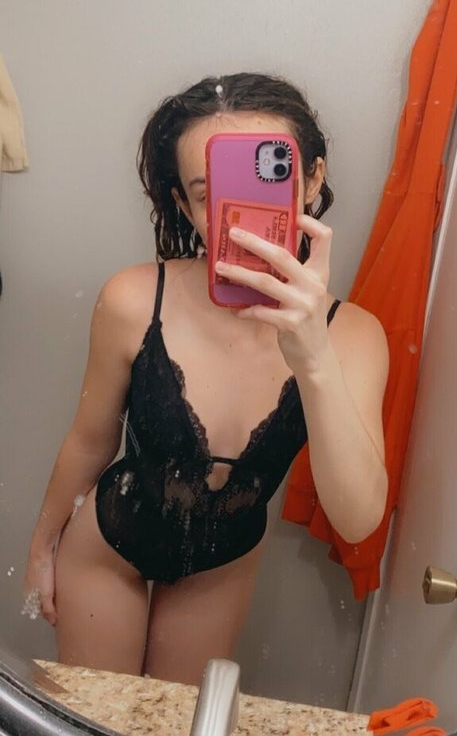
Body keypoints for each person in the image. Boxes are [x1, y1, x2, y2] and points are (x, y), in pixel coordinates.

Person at [23, 73, 389, 683]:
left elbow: (357, 519)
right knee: (96, 722)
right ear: (186, 206)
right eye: (207, 195)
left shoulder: (353, 336)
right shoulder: (133, 299)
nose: (237, 219)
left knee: (173, 724)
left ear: (311, 180)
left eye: (263, 186)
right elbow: (89, 441)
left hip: (222, 565)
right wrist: (42, 546)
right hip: (109, 547)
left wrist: (314, 356)